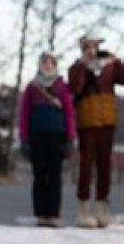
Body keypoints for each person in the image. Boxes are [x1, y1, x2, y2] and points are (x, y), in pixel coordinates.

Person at [68, 34, 124, 228]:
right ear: (83, 48)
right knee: (86, 166)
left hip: (107, 120)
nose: (91, 50)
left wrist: (117, 61)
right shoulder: (77, 67)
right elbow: (75, 88)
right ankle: (83, 211)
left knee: (104, 167)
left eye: (94, 46)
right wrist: (83, 66)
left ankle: (102, 212)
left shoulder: (109, 65)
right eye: (87, 46)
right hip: (87, 121)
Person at [18, 52, 76, 227]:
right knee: (39, 176)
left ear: (55, 66)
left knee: (55, 176)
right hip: (36, 136)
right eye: (44, 62)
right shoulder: (32, 87)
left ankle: (53, 214)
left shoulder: (62, 87)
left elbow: (69, 113)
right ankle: (40, 214)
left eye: (50, 63)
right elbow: (24, 113)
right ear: (40, 65)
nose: (47, 65)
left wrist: (70, 138)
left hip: (57, 136)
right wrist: (23, 138)